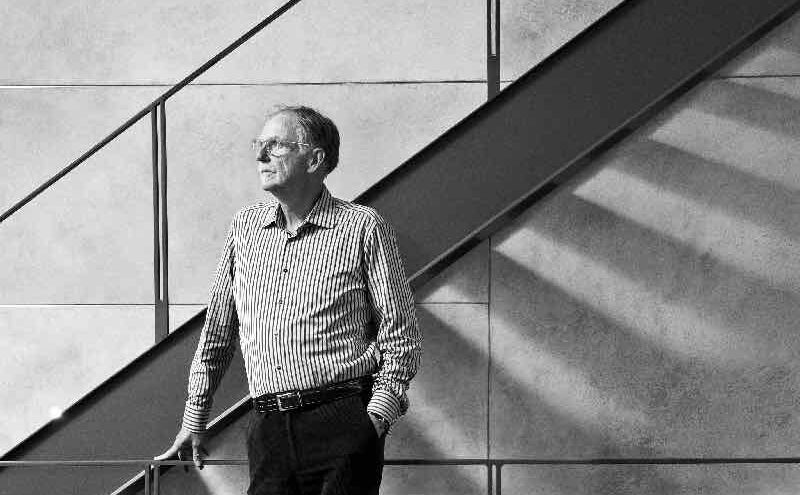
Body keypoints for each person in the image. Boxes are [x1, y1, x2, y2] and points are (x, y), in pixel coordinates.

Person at [156, 105, 422, 494]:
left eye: (276, 145)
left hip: (343, 422)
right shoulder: (245, 227)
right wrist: (195, 417)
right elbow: (217, 334)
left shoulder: (363, 227)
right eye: (259, 144)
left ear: (315, 159)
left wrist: (375, 420)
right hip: (268, 429)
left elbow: (401, 336)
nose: (260, 156)